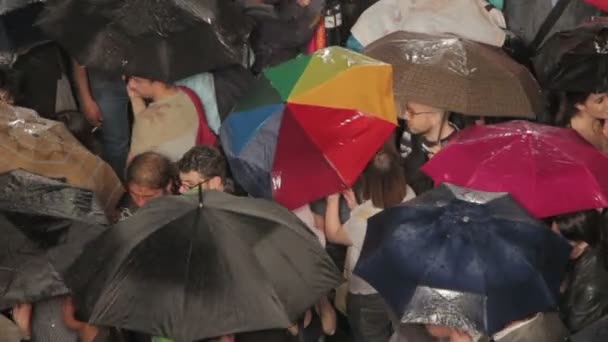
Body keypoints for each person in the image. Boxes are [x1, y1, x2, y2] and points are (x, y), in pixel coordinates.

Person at [325, 147, 416, 342]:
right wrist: (357, 208)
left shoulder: (362, 220)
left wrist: (332, 199)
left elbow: (333, 234)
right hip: (400, 287)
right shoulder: (410, 195)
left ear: (370, 181)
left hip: (368, 294)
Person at [552, 210, 608, 332]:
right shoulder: (578, 258)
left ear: (582, 243)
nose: (551, 243)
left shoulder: (591, 287)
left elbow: (572, 330)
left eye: (556, 238)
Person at [72, 60, 130, 179]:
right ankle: (118, 189)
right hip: (105, 78)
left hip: (145, 73)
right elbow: (78, 54)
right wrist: (85, 99)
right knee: (115, 145)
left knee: (151, 139)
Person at [126, 75, 199, 162]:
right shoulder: (189, 93)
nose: (131, 85)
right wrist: (136, 99)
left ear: (157, 82)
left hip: (163, 172)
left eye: (137, 81)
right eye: (129, 79)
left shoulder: (148, 121)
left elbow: (133, 168)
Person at [399, 101, 459, 194]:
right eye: (407, 109)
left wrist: (442, 171)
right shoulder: (410, 132)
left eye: (412, 112)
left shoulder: (458, 150)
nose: (405, 115)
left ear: (435, 118)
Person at [120, 152, 175, 220]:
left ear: (168, 186)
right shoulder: (124, 208)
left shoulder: (184, 207)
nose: (140, 204)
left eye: (148, 196)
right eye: (134, 194)